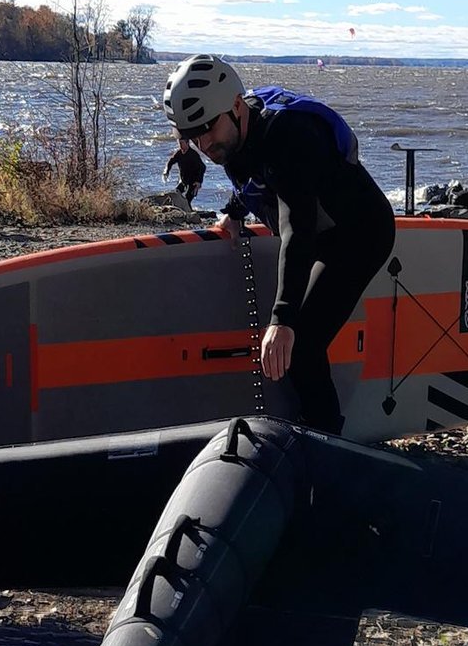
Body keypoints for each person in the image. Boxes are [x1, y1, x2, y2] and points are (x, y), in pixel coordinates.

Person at [162, 53, 395, 435]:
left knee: (301, 347)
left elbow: (297, 228)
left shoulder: (291, 137)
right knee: (296, 337)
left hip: (358, 236)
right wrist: (235, 211)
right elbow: (256, 178)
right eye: (191, 135)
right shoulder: (235, 131)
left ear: (236, 106)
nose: (203, 143)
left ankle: (326, 443)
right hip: (319, 234)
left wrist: (282, 320)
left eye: (207, 128)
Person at [162, 137, 205, 207]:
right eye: (179, 143)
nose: (180, 145)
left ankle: (191, 215)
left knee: (187, 199)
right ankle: (183, 211)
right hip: (184, 181)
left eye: (182, 143)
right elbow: (171, 162)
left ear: (187, 143)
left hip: (193, 183)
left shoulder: (193, 155)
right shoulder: (179, 153)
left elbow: (202, 167)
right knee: (176, 195)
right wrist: (166, 171)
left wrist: (199, 182)